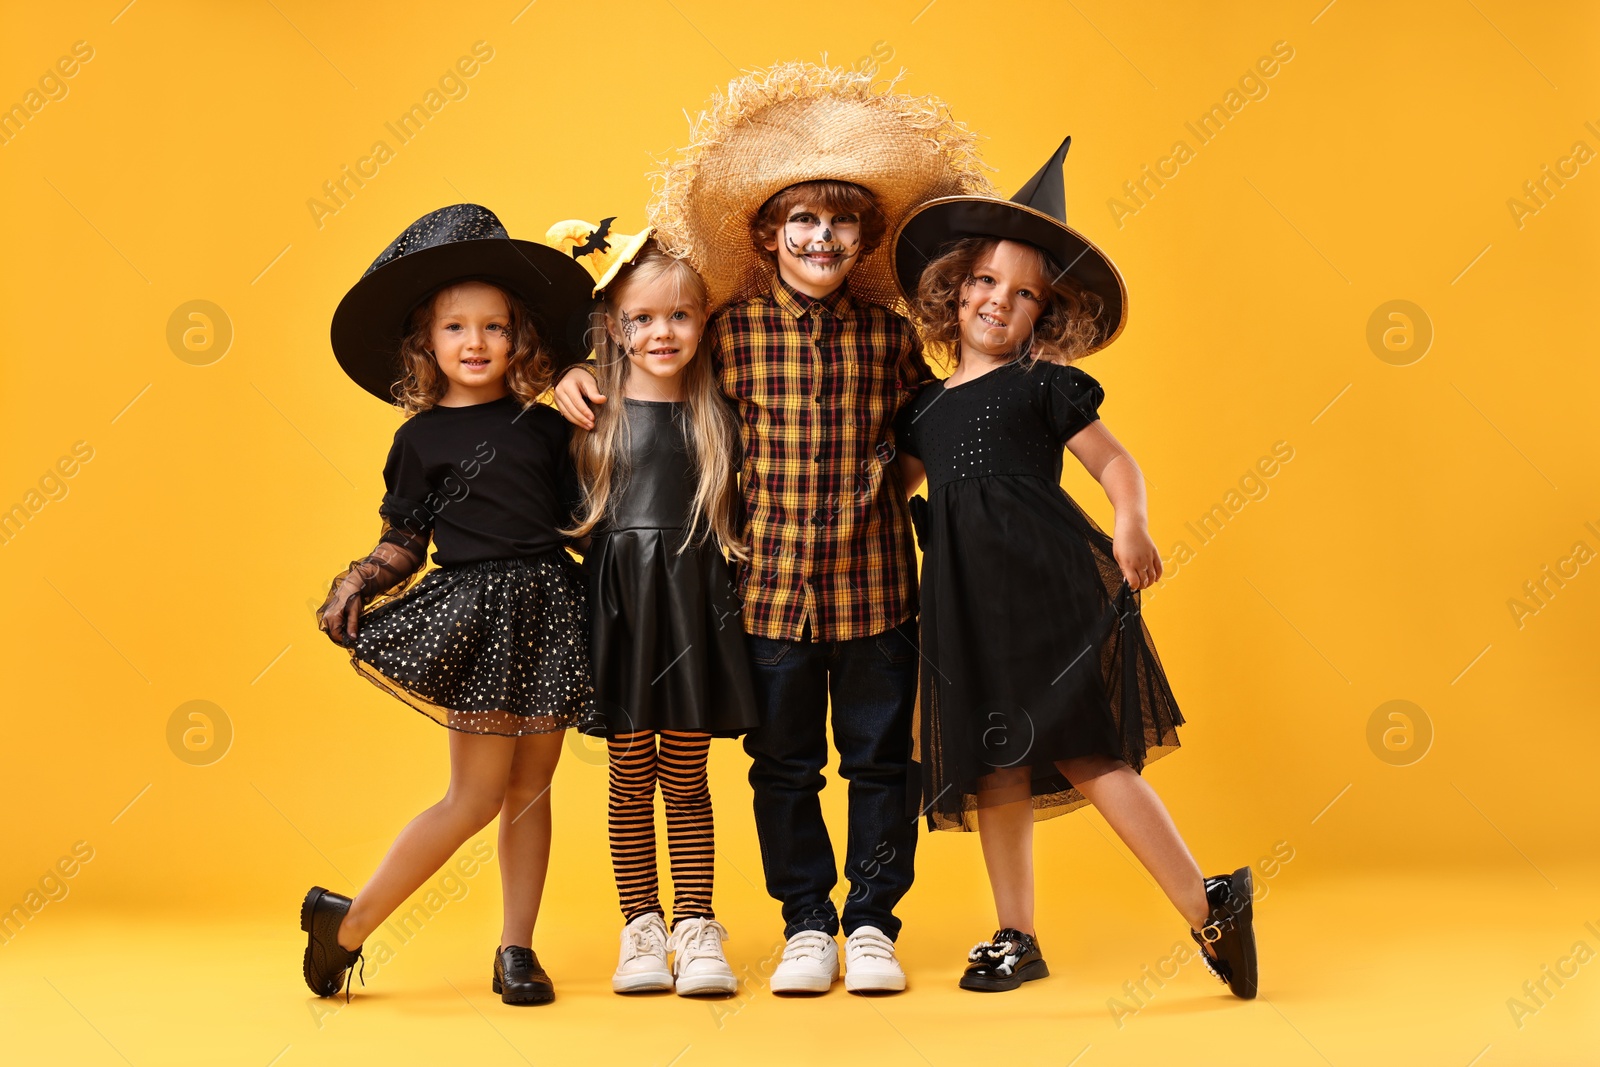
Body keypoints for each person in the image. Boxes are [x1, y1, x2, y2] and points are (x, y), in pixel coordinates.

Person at [552, 61, 993, 994]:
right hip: (767, 598)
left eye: (841, 222)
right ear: (767, 235)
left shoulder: (891, 336)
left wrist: (888, 483)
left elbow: (923, 433)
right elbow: (645, 357)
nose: (822, 236)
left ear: (866, 236)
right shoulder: (730, 331)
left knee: (881, 761)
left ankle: (869, 922)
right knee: (782, 766)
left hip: (877, 590)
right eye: (802, 220)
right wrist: (562, 377)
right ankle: (806, 923)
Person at [890, 138, 1259, 998]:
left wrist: (1131, 524)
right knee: (995, 763)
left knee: (1090, 751)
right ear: (955, 289)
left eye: (1024, 296)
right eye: (985, 282)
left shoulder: (1044, 387)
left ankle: (1209, 902)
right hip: (964, 610)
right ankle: (1015, 932)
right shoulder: (926, 409)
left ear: (1042, 318)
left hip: (1044, 588)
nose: (998, 302)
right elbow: (889, 492)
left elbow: (1117, 464)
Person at [300, 204, 597, 1006]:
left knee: (533, 789)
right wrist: (358, 579)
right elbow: (406, 537)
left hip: (548, 610)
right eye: (456, 327)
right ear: (425, 344)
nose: (476, 343)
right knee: (472, 797)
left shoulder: (546, 423)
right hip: (476, 619)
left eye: (495, 326)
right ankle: (350, 924)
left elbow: (578, 521)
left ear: (520, 336)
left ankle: (516, 948)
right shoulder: (421, 439)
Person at [546, 218, 759, 996]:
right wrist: (564, 373)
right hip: (623, 613)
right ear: (613, 325)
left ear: (706, 321)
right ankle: (641, 926)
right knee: (630, 771)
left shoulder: (722, 414)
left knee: (688, 771)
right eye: (641, 317)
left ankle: (697, 924)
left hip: (694, 609)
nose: (661, 331)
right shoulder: (587, 415)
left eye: (680, 315)